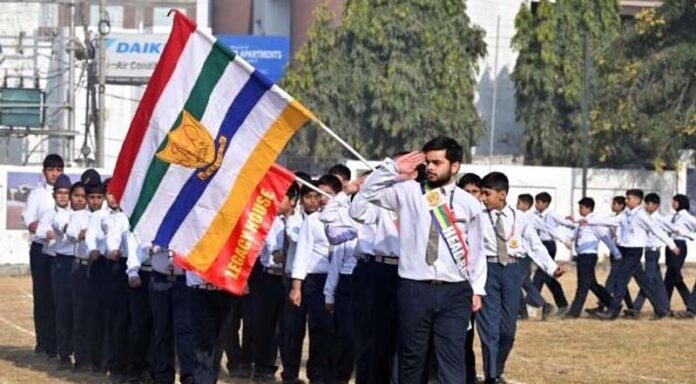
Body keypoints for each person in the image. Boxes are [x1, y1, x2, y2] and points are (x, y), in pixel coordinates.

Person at [359, 137, 486, 384]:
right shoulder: (407, 192)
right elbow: (362, 202)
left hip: (455, 291)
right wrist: (392, 168)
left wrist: (477, 289)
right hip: (414, 288)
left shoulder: (469, 204)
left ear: (455, 166)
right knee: (411, 358)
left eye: (437, 162)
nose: (430, 167)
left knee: (452, 359)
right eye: (427, 162)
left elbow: (478, 251)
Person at [477, 172, 563, 384]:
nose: (483, 198)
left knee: (508, 330)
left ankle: (497, 368)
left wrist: (551, 267)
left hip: (513, 270)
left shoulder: (520, 218)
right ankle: (491, 376)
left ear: (502, 194)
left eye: (487, 194)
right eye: (481, 194)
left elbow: (534, 245)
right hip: (487, 270)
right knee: (490, 327)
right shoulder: (478, 215)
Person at [584, 189, 678, 320]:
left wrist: (671, 244)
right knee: (644, 281)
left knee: (620, 279)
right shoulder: (626, 214)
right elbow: (613, 221)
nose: (626, 201)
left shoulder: (641, 215)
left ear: (637, 200)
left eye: (628, 199)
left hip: (634, 251)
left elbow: (655, 229)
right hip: (625, 249)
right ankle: (661, 309)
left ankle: (613, 309)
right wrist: (588, 221)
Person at [348, 168, 403, 384]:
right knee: (372, 339)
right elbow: (358, 211)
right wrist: (382, 174)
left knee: (404, 338)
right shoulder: (381, 200)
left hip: (410, 272)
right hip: (379, 270)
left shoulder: (423, 201)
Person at [289, 174, 343, 384]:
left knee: (340, 331)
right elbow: (302, 254)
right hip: (317, 280)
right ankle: (317, 376)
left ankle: (336, 375)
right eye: (320, 194)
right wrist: (296, 287)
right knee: (319, 329)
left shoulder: (348, 218)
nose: (322, 199)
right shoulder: (312, 221)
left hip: (342, 280)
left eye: (327, 194)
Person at [250, 184, 299, 382]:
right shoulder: (266, 219)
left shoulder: (300, 221)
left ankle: (290, 372)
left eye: (281, 198)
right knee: (265, 325)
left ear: (292, 201)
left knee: (290, 327)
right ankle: (263, 368)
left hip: (290, 279)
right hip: (269, 277)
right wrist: (274, 253)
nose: (276, 202)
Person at [23, 154, 63, 358]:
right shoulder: (37, 194)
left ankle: (58, 343)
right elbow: (29, 219)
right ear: (44, 171)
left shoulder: (66, 193)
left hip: (60, 251)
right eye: (51, 170)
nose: (54, 174)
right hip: (41, 250)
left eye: (58, 170)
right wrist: (41, 229)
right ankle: (43, 341)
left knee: (60, 297)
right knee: (42, 296)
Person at [280, 182, 320, 384]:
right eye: (308, 197)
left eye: (316, 196)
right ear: (301, 199)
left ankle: (315, 372)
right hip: (294, 279)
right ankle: (290, 374)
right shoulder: (295, 220)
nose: (313, 201)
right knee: (293, 329)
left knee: (317, 329)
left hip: (315, 280)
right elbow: (295, 238)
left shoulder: (325, 219)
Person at [36, 174, 73, 369]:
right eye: (59, 193)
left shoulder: (76, 211)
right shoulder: (50, 213)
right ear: (54, 195)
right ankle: (55, 346)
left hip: (71, 261)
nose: (63, 197)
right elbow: (40, 230)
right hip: (53, 259)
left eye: (66, 193)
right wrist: (47, 233)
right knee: (54, 304)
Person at [562, 198, 618, 319]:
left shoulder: (594, 222)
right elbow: (573, 233)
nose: (580, 209)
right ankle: (613, 304)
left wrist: (615, 252)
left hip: (589, 255)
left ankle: (574, 312)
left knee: (582, 285)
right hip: (582, 255)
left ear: (588, 208)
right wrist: (567, 240)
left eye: (582, 207)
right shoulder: (582, 222)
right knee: (592, 284)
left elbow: (604, 237)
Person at [101, 179, 133, 382]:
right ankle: (117, 366)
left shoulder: (134, 213)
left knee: (138, 321)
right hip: (118, 266)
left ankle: (137, 367)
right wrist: (112, 251)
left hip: (139, 270)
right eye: (110, 193)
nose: (114, 197)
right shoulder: (109, 217)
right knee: (119, 320)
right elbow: (108, 243)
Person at [630, 193, 672, 317]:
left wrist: (682, 236)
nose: (646, 206)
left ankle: (636, 307)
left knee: (646, 281)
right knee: (657, 282)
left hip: (653, 252)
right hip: (648, 252)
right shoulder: (647, 217)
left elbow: (672, 228)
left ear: (655, 205)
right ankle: (665, 306)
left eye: (648, 204)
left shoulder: (659, 219)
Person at [187, 270, 232, 384]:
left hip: (224, 290)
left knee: (219, 341)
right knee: (204, 343)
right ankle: (202, 380)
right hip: (200, 290)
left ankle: (210, 380)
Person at [64, 182, 90, 372]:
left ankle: (98, 358)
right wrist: (82, 234)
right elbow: (72, 233)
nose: (82, 199)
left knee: (98, 315)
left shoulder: (101, 215)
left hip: (99, 268)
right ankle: (80, 357)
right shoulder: (78, 216)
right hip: (81, 267)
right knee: (80, 313)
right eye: (78, 195)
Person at [515, 194, 554, 321]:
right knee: (525, 283)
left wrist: (564, 239)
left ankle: (524, 310)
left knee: (516, 283)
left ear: (525, 205)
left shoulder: (531, 217)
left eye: (519, 203)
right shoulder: (517, 216)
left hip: (525, 254)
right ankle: (539, 306)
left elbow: (547, 229)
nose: (517, 205)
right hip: (519, 253)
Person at [531, 192, 569, 315]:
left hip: (549, 245)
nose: (536, 205)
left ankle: (531, 305)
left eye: (539, 202)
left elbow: (563, 223)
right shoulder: (534, 215)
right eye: (536, 202)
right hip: (540, 245)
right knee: (547, 277)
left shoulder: (552, 215)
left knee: (539, 276)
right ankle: (562, 304)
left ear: (546, 203)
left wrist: (565, 239)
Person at [662, 194, 695, 309]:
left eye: (675, 201)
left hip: (679, 245)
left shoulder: (686, 216)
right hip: (671, 246)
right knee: (675, 277)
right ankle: (690, 301)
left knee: (670, 276)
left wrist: (687, 235)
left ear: (680, 203)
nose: (672, 204)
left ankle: (664, 306)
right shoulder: (673, 216)